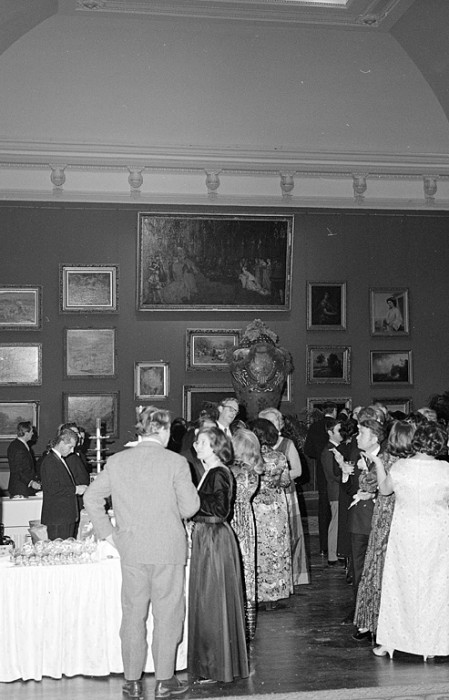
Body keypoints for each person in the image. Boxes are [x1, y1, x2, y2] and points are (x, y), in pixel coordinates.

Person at [84, 407, 199, 700]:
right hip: (168, 550)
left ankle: (132, 681)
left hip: (131, 549)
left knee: (133, 616)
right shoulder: (176, 462)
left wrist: (108, 535)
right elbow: (190, 508)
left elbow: (91, 497)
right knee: (168, 616)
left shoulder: (117, 461)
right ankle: (164, 680)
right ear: (162, 430)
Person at [374, 422, 449, 661]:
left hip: (405, 533)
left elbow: (384, 491)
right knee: (437, 585)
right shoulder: (445, 469)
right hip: (437, 532)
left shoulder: (400, 466)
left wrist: (377, 464)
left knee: (400, 584)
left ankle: (393, 641)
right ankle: (435, 642)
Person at [188, 426, 249, 684]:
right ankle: (211, 665)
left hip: (214, 538)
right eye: (196, 442)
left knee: (212, 602)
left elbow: (222, 510)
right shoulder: (210, 472)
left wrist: (189, 500)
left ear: (215, 447)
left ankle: (215, 666)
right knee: (208, 601)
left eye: (201, 443)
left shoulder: (219, 473)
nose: (196, 446)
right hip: (208, 537)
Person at [353, 419, 417, 642]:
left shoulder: (387, 460)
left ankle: (371, 622)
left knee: (375, 571)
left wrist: (367, 468)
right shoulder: (417, 462)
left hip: (385, 520)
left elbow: (369, 485)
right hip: (407, 521)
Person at [258, 407, 309, 586]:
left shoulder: (287, 444)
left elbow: (298, 471)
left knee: (291, 535)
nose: (272, 425)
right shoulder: (256, 444)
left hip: (285, 494)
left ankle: (292, 576)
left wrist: (276, 478)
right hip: (262, 498)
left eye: (275, 421)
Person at [250, 418, 293, 609]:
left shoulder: (248, 458)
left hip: (256, 508)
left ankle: (256, 592)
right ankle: (274, 595)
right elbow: (285, 482)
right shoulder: (279, 458)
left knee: (258, 548)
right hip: (276, 508)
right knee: (276, 550)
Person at [230, 428, 263, 639]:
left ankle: (235, 620)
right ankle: (249, 623)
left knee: (234, 565)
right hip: (248, 518)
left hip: (232, 518)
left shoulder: (233, 472)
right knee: (248, 568)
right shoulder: (252, 472)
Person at [40, 428, 87, 540]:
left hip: (64, 517)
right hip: (58, 518)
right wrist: (75, 489)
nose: (72, 451)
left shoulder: (58, 459)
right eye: (70, 447)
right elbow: (52, 488)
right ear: (61, 443)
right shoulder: (50, 461)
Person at [304, 402, 337, 556]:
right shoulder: (337, 426)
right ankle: (335, 547)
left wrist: (319, 456)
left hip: (321, 472)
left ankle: (324, 546)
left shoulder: (314, 427)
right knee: (337, 509)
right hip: (337, 471)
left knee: (323, 508)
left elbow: (308, 450)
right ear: (335, 411)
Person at [320, 417, 344, 566]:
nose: (342, 433)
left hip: (339, 490)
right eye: (338, 430)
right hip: (335, 491)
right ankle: (332, 555)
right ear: (330, 432)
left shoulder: (338, 448)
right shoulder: (328, 450)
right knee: (335, 522)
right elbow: (332, 475)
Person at [7, 421, 40, 497]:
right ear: (26, 433)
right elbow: (18, 470)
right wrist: (31, 482)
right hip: (20, 489)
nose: (33, 434)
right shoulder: (18, 448)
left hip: (22, 487)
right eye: (31, 431)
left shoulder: (18, 445)